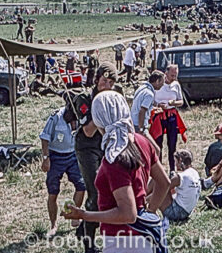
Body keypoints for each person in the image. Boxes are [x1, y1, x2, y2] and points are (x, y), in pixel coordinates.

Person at [62, 91, 170, 253]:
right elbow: (164, 182)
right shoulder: (142, 142)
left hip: (122, 242)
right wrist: (149, 212)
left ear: (98, 120)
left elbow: (127, 214)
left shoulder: (114, 158)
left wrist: (84, 215)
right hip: (145, 236)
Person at [61, 63, 119, 253]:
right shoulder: (85, 99)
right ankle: (89, 244)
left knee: (111, 190)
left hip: (106, 145)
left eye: (111, 83)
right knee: (95, 192)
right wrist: (101, 110)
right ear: (96, 80)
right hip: (87, 147)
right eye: (104, 81)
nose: (107, 86)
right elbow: (87, 130)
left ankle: (84, 228)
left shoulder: (112, 97)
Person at [39, 106, 86, 237]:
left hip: (73, 155)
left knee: (81, 186)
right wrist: (45, 158)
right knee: (53, 192)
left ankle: (75, 216)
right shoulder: (55, 117)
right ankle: (53, 225)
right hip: (55, 157)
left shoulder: (81, 116)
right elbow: (44, 137)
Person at [150, 64, 186, 171]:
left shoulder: (176, 85)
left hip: (171, 115)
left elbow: (181, 101)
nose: (174, 78)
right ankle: (159, 168)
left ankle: (172, 169)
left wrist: (174, 103)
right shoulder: (158, 85)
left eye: (175, 75)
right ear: (166, 74)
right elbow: (151, 100)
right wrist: (157, 105)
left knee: (172, 143)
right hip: (159, 115)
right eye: (172, 75)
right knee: (158, 143)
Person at [156, 149, 200, 223]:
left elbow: (162, 188)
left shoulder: (181, 177)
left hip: (176, 213)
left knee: (157, 181)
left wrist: (148, 199)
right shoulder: (194, 173)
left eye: (176, 161)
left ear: (180, 160)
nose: (175, 164)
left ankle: (146, 206)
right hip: (186, 212)